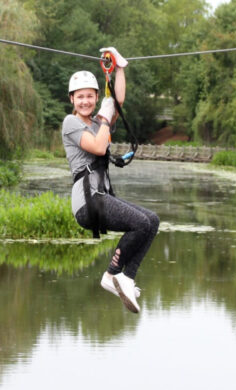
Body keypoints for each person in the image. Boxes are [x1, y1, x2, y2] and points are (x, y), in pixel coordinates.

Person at [61, 47, 159, 314]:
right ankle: (112, 274)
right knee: (139, 223)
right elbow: (96, 146)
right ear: (72, 99)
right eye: (80, 97)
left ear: (95, 98)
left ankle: (126, 277)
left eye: (90, 97)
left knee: (151, 221)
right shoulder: (71, 123)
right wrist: (104, 117)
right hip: (88, 203)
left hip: (102, 198)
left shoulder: (97, 121)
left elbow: (118, 102)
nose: (85, 101)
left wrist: (120, 68)